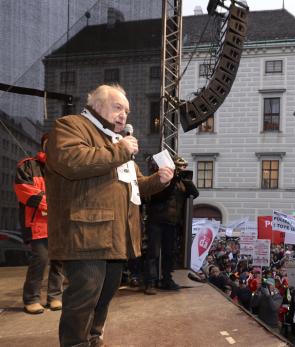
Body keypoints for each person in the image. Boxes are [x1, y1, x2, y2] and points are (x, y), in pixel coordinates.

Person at [46, 84, 173, 347]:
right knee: (84, 296)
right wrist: (121, 150)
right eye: (118, 108)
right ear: (97, 105)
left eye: (126, 111)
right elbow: (72, 161)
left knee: (105, 294)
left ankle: (94, 339)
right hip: (86, 234)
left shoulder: (116, 142)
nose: (124, 115)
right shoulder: (70, 126)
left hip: (115, 235)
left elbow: (136, 184)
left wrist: (158, 181)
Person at [14, 133, 64, 314]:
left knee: (59, 261)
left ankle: (55, 297)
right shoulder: (27, 165)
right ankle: (31, 298)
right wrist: (52, 203)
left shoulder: (63, 168)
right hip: (37, 223)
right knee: (40, 260)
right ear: (44, 145)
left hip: (59, 223)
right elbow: (24, 191)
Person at [143, 155, 199, 294]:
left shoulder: (181, 183)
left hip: (172, 223)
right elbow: (158, 196)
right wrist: (171, 179)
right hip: (156, 221)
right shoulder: (160, 178)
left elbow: (194, 193)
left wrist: (186, 180)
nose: (181, 170)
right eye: (179, 167)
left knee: (169, 253)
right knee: (153, 253)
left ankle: (167, 279)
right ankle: (150, 282)